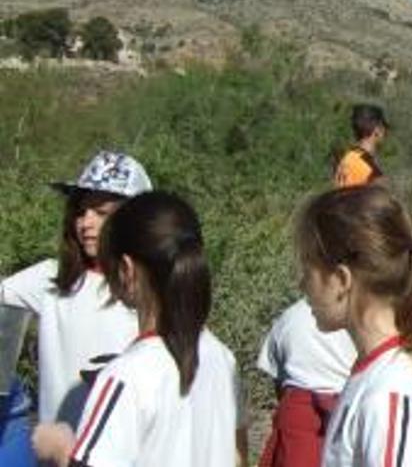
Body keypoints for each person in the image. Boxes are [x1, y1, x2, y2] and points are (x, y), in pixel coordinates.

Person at [31, 191, 246, 467]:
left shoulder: (125, 376)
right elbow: (238, 456)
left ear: (126, 270)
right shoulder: (223, 358)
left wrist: (60, 448)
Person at [293, 186, 412, 467]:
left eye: (307, 269)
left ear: (341, 279)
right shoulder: (376, 377)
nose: (302, 284)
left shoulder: (388, 395)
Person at [0, 151, 150, 426]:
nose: (86, 222)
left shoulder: (153, 292)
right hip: (55, 454)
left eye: (101, 212)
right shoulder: (49, 279)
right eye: (81, 211)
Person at [255, 298, 357, 467]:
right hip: (339, 415)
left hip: (300, 421)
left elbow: (278, 384)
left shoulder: (288, 318)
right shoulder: (365, 314)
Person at [333, 104, 389, 188]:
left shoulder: (348, 157)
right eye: (385, 127)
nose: (386, 133)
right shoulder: (369, 168)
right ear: (377, 130)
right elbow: (380, 197)